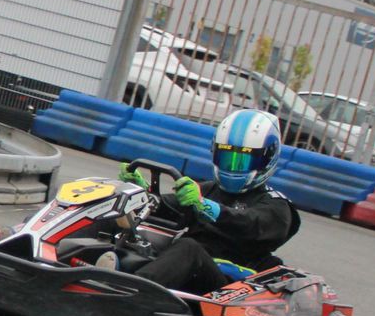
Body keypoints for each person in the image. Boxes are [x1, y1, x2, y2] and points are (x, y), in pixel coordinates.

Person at [123, 108, 297, 293]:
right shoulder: (209, 190)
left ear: (267, 159)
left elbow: (250, 223)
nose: (233, 167)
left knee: (189, 248)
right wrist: (143, 195)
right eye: (227, 158)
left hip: (228, 287)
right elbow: (170, 209)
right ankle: (106, 267)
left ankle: (131, 292)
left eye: (242, 161)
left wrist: (210, 209)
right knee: (125, 223)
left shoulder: (276, 205)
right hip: (185, 269)